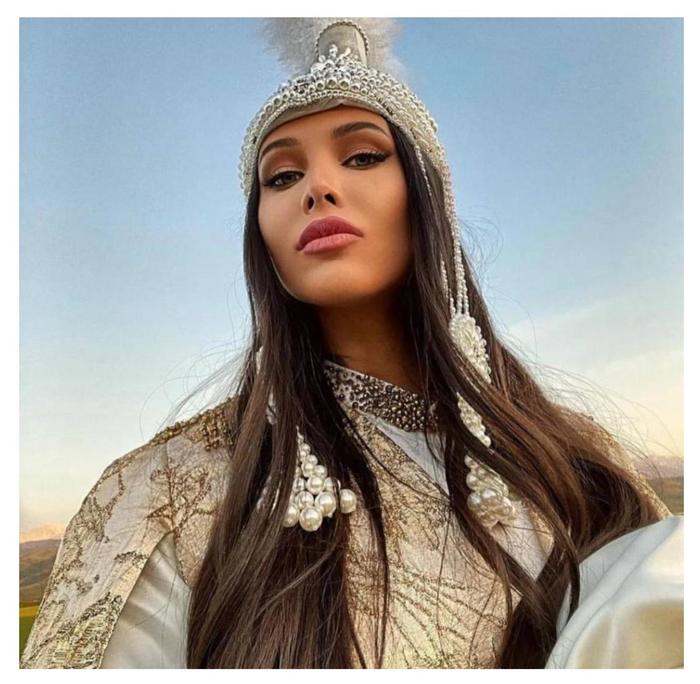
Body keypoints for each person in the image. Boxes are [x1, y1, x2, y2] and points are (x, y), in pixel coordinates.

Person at [20, 18, 682, 669]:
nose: (318, 188)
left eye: (363, 156)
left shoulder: (580, 467)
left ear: (430, 199)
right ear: (260, 234)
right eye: (282, 176)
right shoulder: (167, 492)